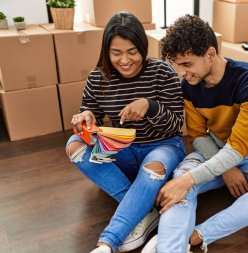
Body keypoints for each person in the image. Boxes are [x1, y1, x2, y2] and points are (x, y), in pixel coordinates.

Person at [142, 14, 248, 253]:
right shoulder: (189, 86)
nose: (183, 73)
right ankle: (170, 248)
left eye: (187, 64)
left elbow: (239, 147)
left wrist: (199, 176)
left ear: (209, 54)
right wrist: (225, 169)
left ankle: (197, 236)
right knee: (181, 180)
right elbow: (197, 135)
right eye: (179, 66)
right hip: (211, 153)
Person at [65, 12, 186, 253]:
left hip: (163, 147)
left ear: (142, 46)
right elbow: (92, 118)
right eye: (116, 53)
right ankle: (145, 209)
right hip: (123, 148)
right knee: (74, 143)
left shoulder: (163, 72)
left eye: (132, 51)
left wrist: (149, 106)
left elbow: (176, 126)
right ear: (106, 52)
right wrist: (86, 117)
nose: (125, 60)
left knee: (154, 167)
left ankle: (107, 242)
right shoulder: (97, 77)